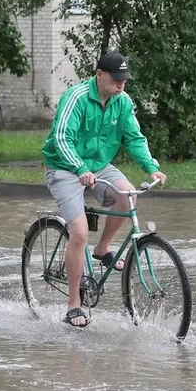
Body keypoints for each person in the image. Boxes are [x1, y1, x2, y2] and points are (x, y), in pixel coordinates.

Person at [41, 52, 167, 328]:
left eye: (124, 80)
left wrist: (151, 167)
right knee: (79, 232)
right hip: (64, 166)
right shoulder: (75, 98)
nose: (121, 84)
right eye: (115, 79)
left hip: (98, 166)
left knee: (127, 196)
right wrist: (78, 168)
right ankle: (74, 305)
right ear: (99, 74)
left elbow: (134, 137)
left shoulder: (122, 102)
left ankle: (102, 248)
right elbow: (62, 138)